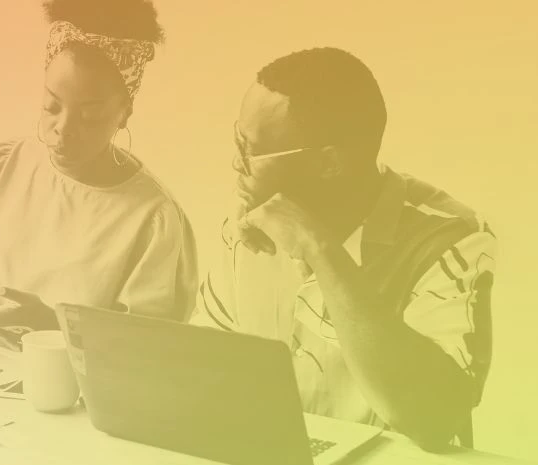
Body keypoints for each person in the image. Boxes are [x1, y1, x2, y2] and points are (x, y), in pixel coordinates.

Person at [191, 47, 496, 451]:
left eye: (252, 151)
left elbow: (433, 418)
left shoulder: (448, 238)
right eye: (238, 141)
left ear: (329, 164)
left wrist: (320, 251)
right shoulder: (251, 222)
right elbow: (201, 368)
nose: (237, 163)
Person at [0, 0, 197, 331]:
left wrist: (54, 326)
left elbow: (148, 349)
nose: (63, 128)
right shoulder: (4, 168)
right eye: (51, 106)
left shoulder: (153, 220)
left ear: (124, 112)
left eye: (89, 115)